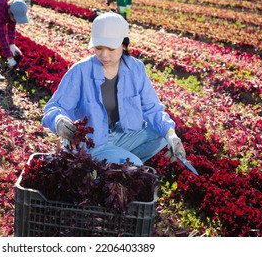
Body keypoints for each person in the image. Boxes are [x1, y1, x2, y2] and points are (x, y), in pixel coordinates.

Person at [42, 12, 186, 166]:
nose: (104, 55)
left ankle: (110, 164)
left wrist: (171, 135)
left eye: (111, 48)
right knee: (134, 166)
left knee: (161, 133)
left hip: (120, 135)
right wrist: (58, 120)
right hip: (91, 142)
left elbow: (152, 108)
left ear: (124, 44)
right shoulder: (80, 71)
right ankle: (109, 163)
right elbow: (54, 107)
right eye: (98, 47)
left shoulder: (135, 69)